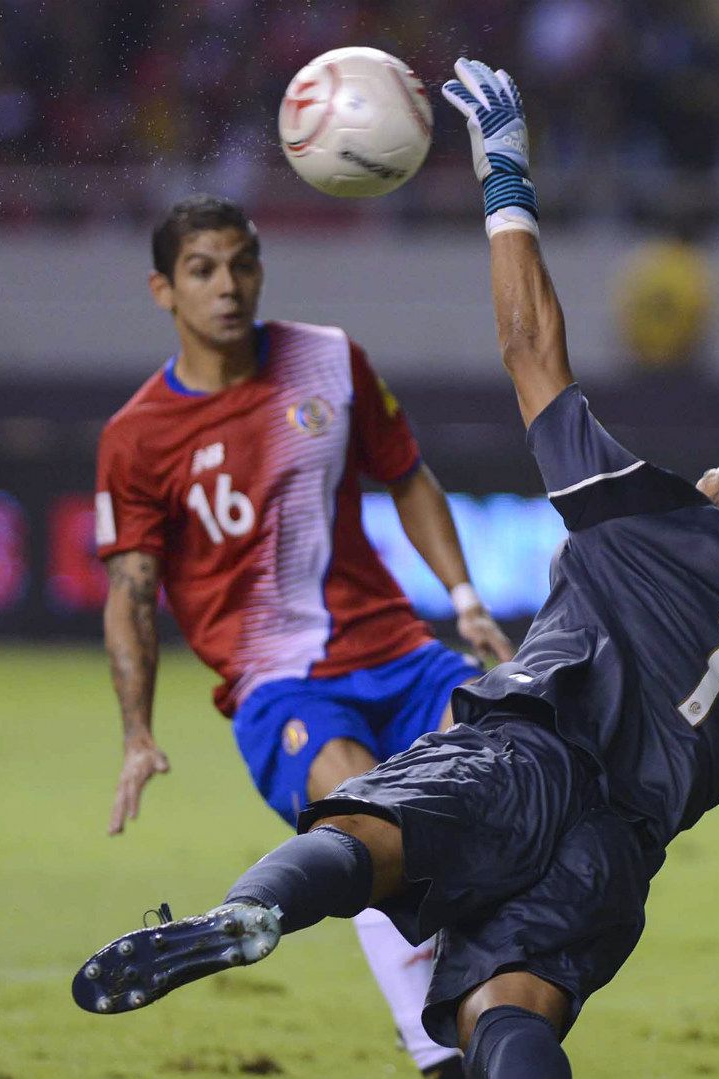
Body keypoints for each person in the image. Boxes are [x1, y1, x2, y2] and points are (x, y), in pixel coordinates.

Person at [74, 62, 719, 1079]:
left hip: (520, 760)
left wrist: (506, 174)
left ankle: (252, 910)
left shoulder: (647, 517)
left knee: (367, 831)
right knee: (507, 1018)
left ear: (711, 510)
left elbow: (531, 347)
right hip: (612, 856)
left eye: (709, 479)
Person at [94, 193, 516, 1079]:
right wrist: (137, 731)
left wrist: (465, 594)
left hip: (400, 652)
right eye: (203, 269)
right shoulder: (137, 438)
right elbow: (131, 591)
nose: (228, 285)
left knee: (499, 789)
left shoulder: (328, 360)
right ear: (162, 289)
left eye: (242, 263)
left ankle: (490, 1011)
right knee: (366, 819)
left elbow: (407, 476)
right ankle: (438, 1052)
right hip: (279, 683)